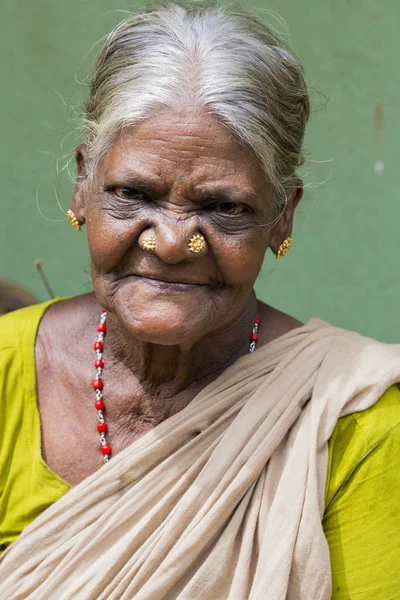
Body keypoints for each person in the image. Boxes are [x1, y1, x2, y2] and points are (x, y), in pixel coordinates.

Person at [0, 3, 399, 598]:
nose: (170, 243)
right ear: (83, 185)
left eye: (225, 207)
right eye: (132, 194)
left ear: (281, 215)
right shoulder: (7, 372)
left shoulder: (351, 422)